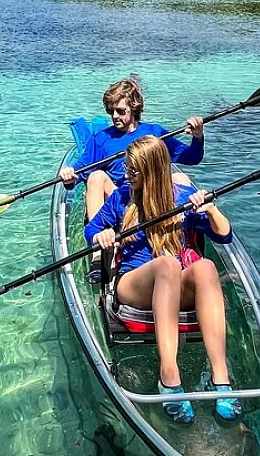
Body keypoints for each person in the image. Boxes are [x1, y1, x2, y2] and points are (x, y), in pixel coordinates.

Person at [84, 135, 241, 424]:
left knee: (205, 267)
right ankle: (169, 376)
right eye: (127, 168)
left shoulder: (181, 199)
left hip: (172, 284)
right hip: (133, 285)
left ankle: (221, 381)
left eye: (133, 170)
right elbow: (92, 229)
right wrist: (101, 235)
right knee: (168, 265)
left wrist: (211, 208)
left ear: (152, 171)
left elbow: (224, 235)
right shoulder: (121, 198)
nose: (127, 175)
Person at [60, 78, 205, 284]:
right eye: (111, 111)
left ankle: (190, 237)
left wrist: (198, 137)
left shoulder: (154, 133)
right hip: (120, 200)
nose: (114, 117)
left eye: (120, 111)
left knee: (180, 177)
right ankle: (99, 255)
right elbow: (79, 171)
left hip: (153, 198)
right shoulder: (101, 138)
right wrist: (69, 176)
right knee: (95, 176)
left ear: (134, 108)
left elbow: (191, 157)